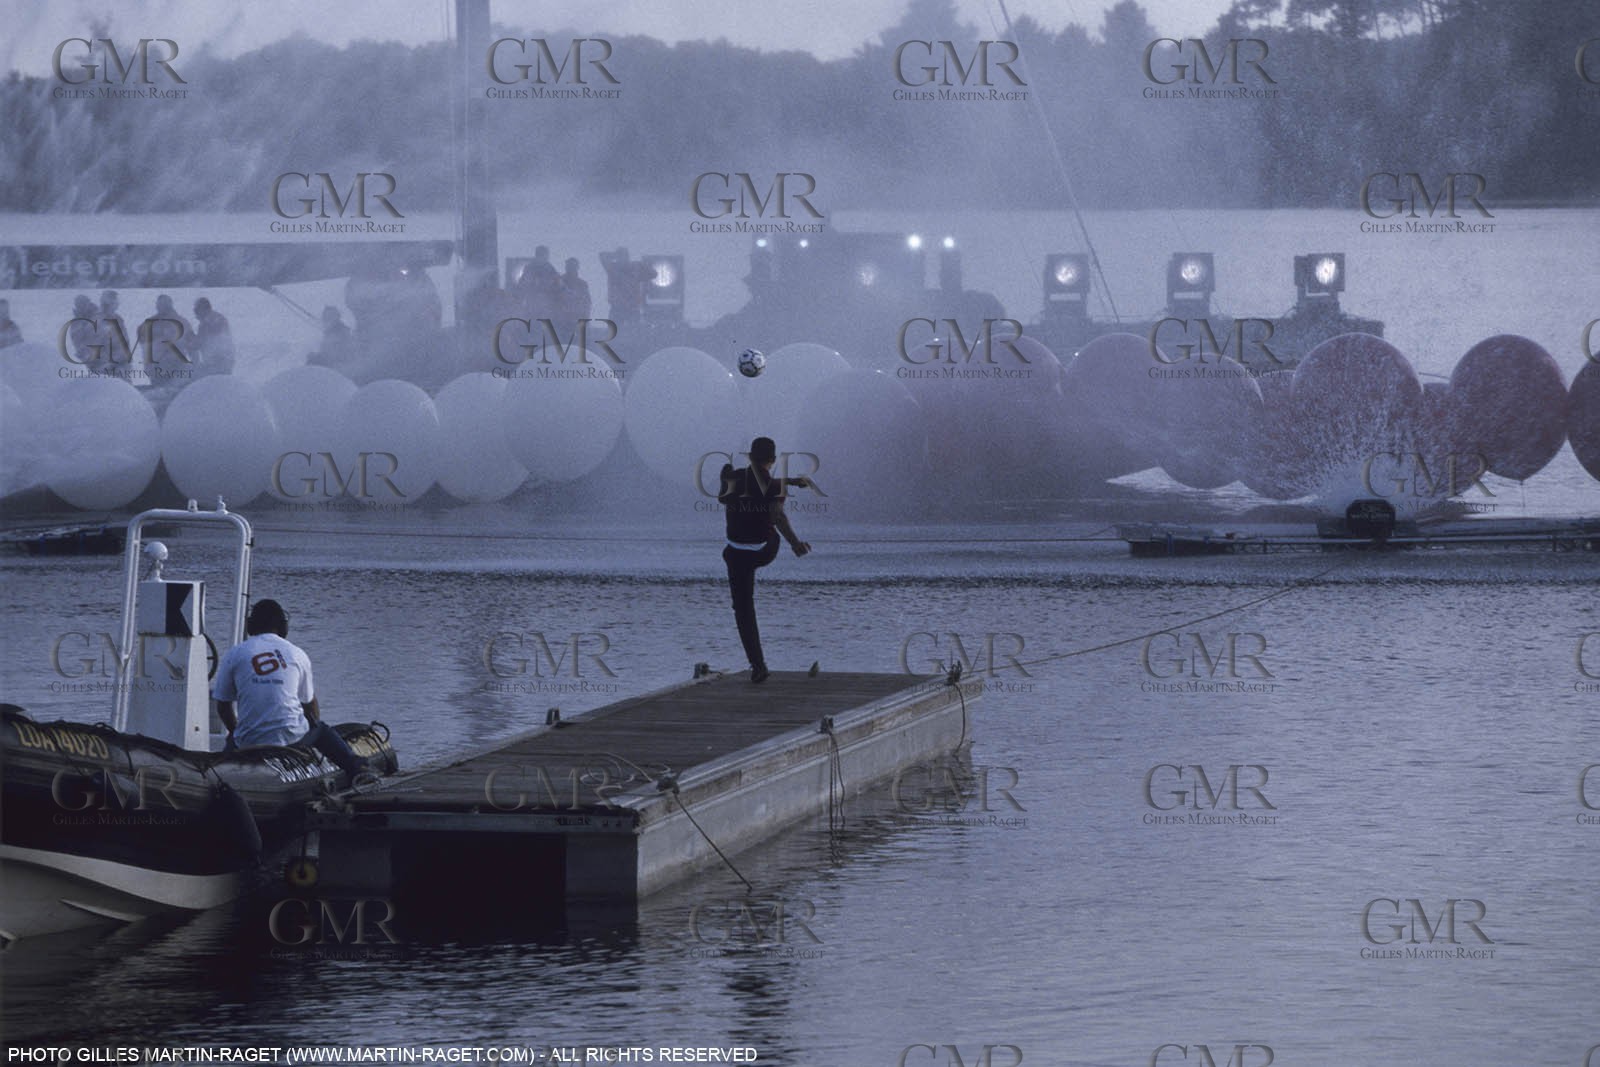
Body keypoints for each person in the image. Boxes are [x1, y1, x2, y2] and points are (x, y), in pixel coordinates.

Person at [211, 599, 371, 787]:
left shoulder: (235, 653)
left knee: (231, 743)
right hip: (291, 737)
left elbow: (222, 705)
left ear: (251, 625)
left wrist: (236, 731)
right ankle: (357, 770)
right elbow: (309, 705)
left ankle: (219, 780)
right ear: (283, 626)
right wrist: (310, 737)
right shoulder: (297, 653)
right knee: (322, 730)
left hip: (249, 741)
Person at [718, 437, 812, 683]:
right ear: (772, 460)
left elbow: (727, 493)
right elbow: (777, 515)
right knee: (771, 531)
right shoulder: (775, 487)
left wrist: (724, 474)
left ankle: (758, 665)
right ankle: (759, 665)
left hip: (737, 554)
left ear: (750, 457)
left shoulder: (733, 478)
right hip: (764, 551)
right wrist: (796, 544)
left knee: (743, 608)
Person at [140, 294, 193, 365]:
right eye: (160, 305)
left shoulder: (181, 322)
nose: (162, 308)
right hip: (157, 365)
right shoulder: (150, 323)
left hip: (177, 364)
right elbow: (143, 343)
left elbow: (191, 343)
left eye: (165, 306)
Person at [192, 296, 236, 373]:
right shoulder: (216, 318)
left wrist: (190, 341)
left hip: (217, 362)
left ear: (203, 309)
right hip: (224, 360)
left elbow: (202, 341)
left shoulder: (208, 322)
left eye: (196, 311)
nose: (196, 314)